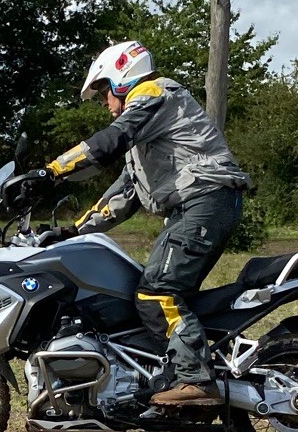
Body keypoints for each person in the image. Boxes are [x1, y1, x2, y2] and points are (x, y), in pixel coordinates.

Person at [20, 40, 252, 407]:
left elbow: (108, 142)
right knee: (148, 290)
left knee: (156, 291)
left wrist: (51, 171)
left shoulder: (153, 94)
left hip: (206, 202)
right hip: (198, 205)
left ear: (122, 79)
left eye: (105, 94)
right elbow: (123, 196)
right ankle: (162, 374)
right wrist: (73, 232)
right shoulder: (148, 132)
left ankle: (195, 378)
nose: (106, 105)